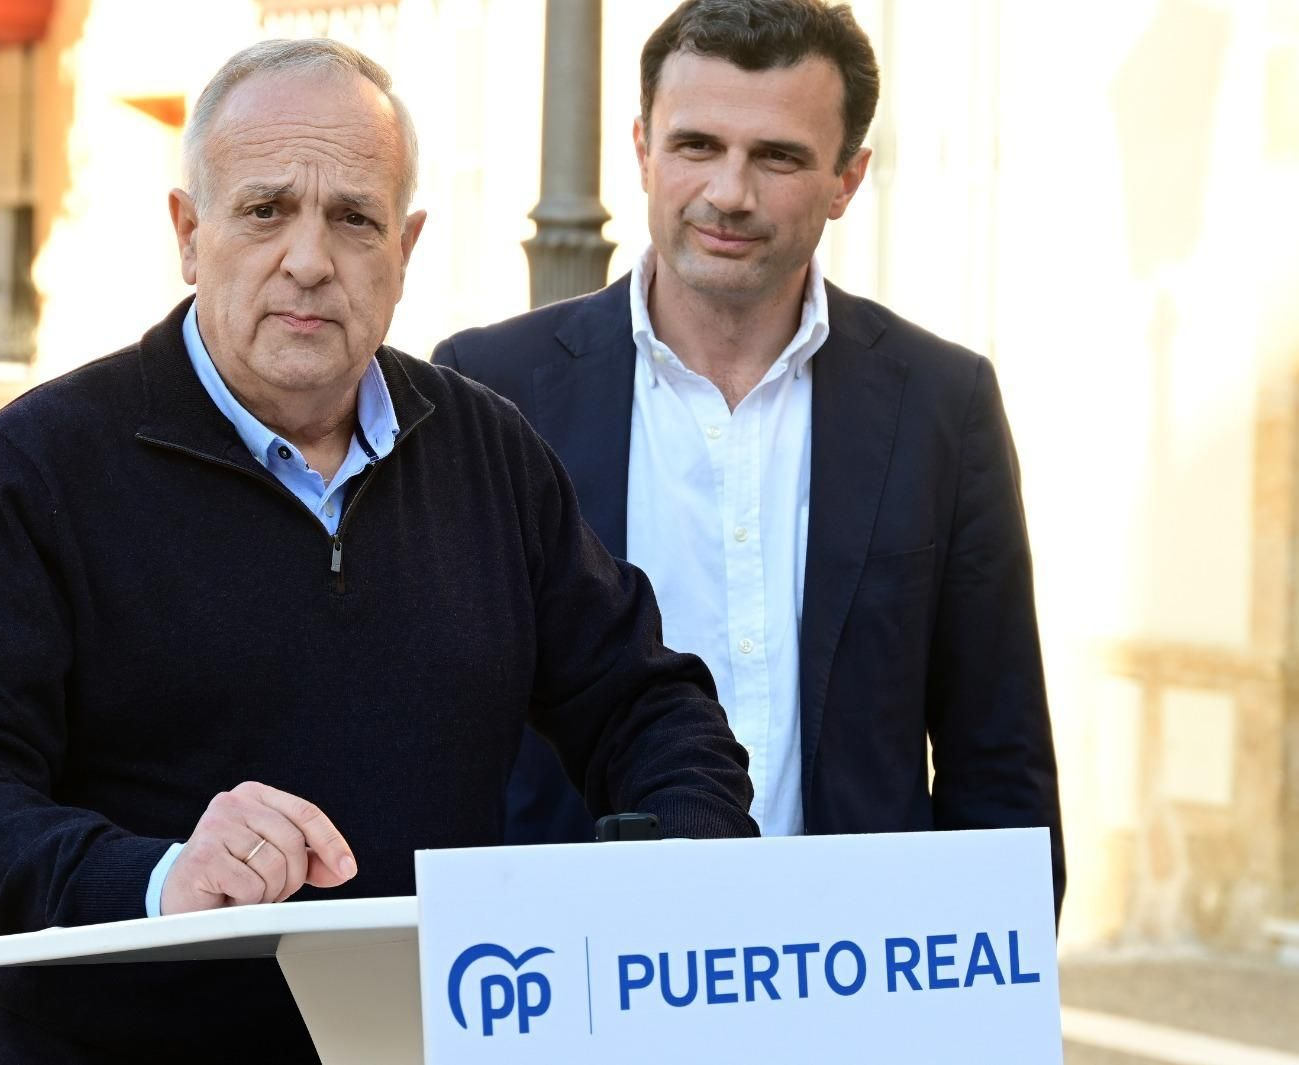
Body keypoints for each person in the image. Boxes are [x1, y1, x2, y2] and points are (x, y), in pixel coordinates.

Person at [0, 39, 757, 1063]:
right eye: (264, 211)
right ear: (187, 231)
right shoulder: (36, 468)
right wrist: (162, 878)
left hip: (428, 1041)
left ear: (406, 245)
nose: (308, 259)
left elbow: (644, 702)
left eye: (353, 217)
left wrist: (674, 854)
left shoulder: (489, 451)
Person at [433, 0, 1064, 914]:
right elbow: (440, 730)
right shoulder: (493, 389)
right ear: (643, 147)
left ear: (848, 179)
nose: (730, 192)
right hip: (576, 979)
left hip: (857, 982)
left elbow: (997, 757)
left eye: (777, 156)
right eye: (697, 146)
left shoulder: (943, 402)